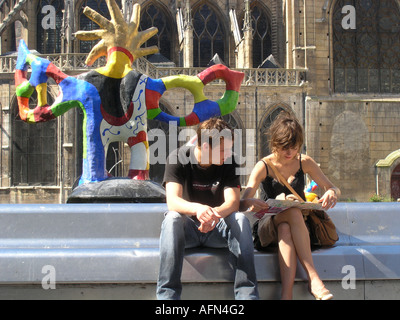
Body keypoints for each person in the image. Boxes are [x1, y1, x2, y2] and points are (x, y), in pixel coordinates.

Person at [240, 111, 340, 300]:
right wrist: (252, 203)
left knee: (287, 227)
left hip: (299, 228)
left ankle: (286, 297)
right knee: (292, 212)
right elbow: (243, 201)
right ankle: (314, 279)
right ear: (275, 143)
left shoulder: (305, 162)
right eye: (284, 147)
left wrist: (331, 192)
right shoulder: (264, 166)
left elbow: (333, 187)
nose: (289, 152)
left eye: (294, 147)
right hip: (267, 228)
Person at [157, 117, 259, 300]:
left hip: (217, 229)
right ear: (205, 147)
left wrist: (212, 215)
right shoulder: (177, 158)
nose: (227, 154)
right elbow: (172, 201)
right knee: (172, 218)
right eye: (223, 150)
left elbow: (233, 203)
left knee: (241, 220)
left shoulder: (229, 162)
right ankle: (167, 298)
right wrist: (198, 210)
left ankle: (247, 296)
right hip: (188, 230)